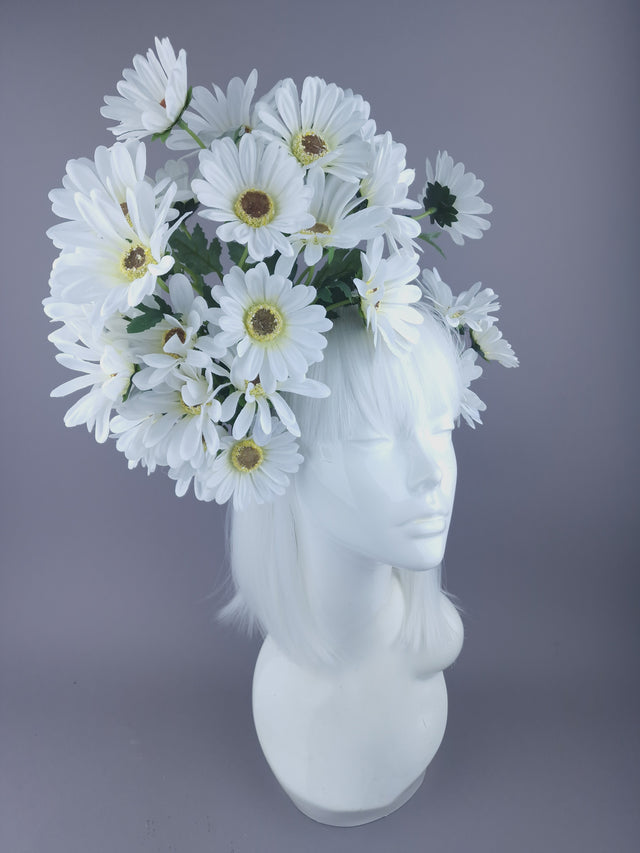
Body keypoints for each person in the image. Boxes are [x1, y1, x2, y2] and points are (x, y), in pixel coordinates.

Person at [223, 304, 465, 825]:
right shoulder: (289, 697)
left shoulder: (420, 661)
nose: (433, 475)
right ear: (275, 460)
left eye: (441, 429)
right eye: (373, 439)